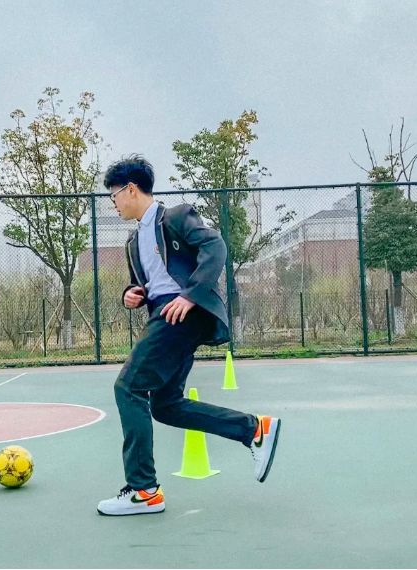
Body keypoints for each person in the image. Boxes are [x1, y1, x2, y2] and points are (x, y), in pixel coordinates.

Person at [97, 155, 281, 517]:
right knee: (166, 405)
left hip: (181, 313)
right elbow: (147, 283)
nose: (113, 202)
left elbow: (216, 247)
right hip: (164, 314)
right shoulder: (133, 241)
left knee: (128, 388)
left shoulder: (176, 216)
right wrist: (131, 294)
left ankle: (143, 491)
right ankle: (254, 429)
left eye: (114, 195)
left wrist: (190, 295)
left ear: (131, 189)